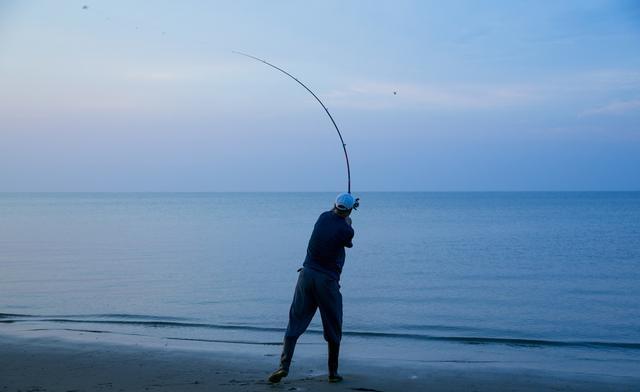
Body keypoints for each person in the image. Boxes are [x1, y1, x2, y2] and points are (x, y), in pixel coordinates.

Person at [268, 192, 357, 384]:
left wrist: (346, 213)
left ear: (334, 205)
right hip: (327, 282)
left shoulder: (322, 217)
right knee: (333, 326)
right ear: (349, 210)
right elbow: (347, 239)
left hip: (306, 276)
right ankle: (333, 373)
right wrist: (349, 219)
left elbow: (336, 217)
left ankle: (283, 366)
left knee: (295, 322)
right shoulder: (347, 230)